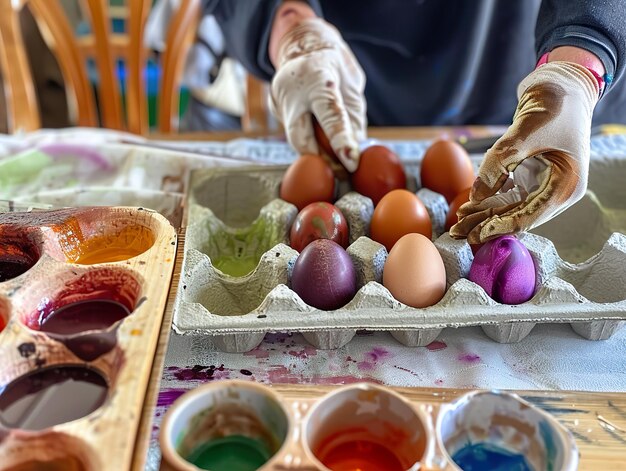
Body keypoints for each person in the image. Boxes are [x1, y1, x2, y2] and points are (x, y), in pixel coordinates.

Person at [203, 0, 626, 244]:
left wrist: (580, 65)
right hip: (357, 95)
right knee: (350, 158)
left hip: (534, 64)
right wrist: (290, 24)